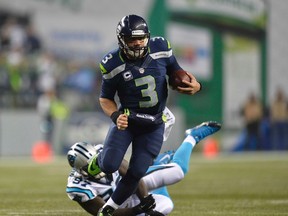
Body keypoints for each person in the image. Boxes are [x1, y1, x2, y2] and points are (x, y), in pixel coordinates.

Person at [96, 14, 202, 215]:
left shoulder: (161, 48)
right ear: (121, 40)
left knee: (137, 172)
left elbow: (177, 72)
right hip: (127, 121)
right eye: (131, 39)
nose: (137, 44)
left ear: (148, 37)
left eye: (140, 38)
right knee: (109, 164)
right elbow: (105, 98)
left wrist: (196, 84)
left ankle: (108, 209)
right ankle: (97, 159)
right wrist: (115, 115)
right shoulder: (111, 63)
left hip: (154, 123)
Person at [66, 121, 221, 215]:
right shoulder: (77, 187)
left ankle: (192, 136)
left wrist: (145, 199)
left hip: (132, 184)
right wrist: (140, 209)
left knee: (178, 172)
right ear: (80, 171)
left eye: (96, 162)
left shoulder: (103, 151)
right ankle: (157, 163)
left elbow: (132, 174)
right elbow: (105, 213)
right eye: (90, 168)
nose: (97, 168)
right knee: (166, 207)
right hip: (123, 206)